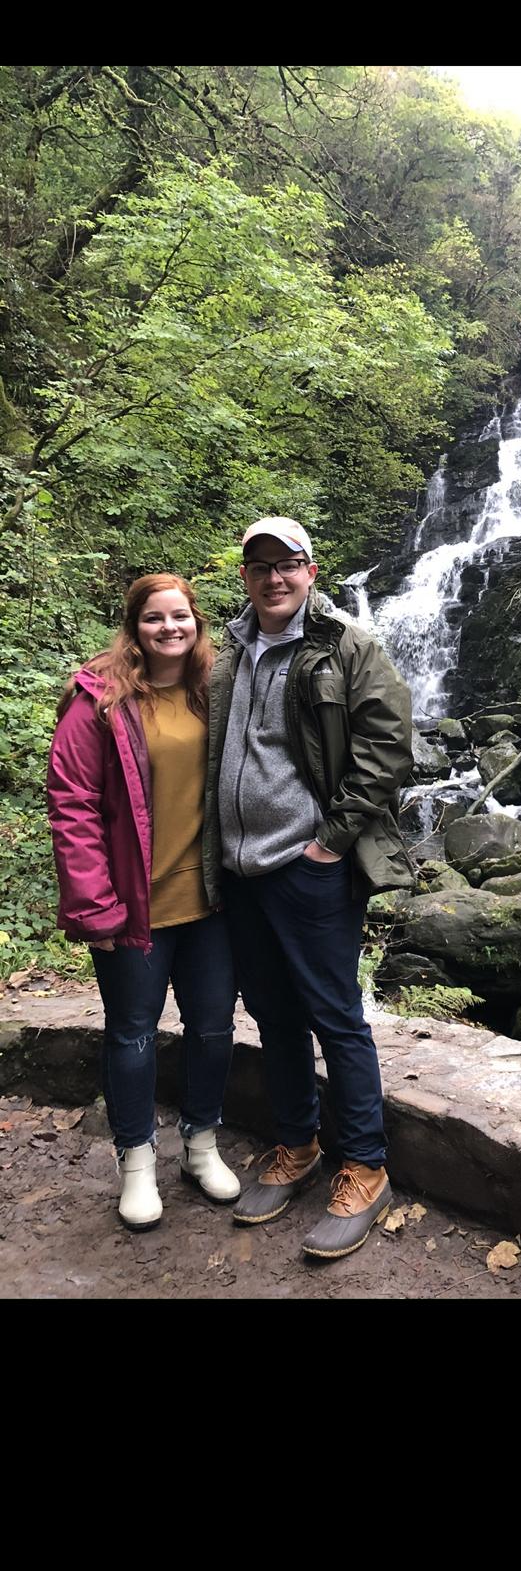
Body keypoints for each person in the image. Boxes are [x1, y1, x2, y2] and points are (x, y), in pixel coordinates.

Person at [201, 517, 415, 1259]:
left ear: (310, 570)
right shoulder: (230, 649)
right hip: (241, 869)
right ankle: (298, 1144)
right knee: (273, 1014)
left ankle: (366, 1166)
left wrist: (330, 842)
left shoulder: (347, 645)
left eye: (287, 564)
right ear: (245, 575)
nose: (274, 577)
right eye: (260, 565)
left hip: (309, 866)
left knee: (335, 1016)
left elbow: (387, 745)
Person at [47, 575, 240, 1231]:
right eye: (155, 618)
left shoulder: (215, 688)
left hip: (210, 903)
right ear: (134, 626)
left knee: (213, 1028)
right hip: (133, 906)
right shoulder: (99, 699)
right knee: (132, 1033)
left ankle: (201, 1144)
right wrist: (94, 906)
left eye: (179, 615)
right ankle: (135, 1162)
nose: (169, 628)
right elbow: (72, 805)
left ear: (196, 622)